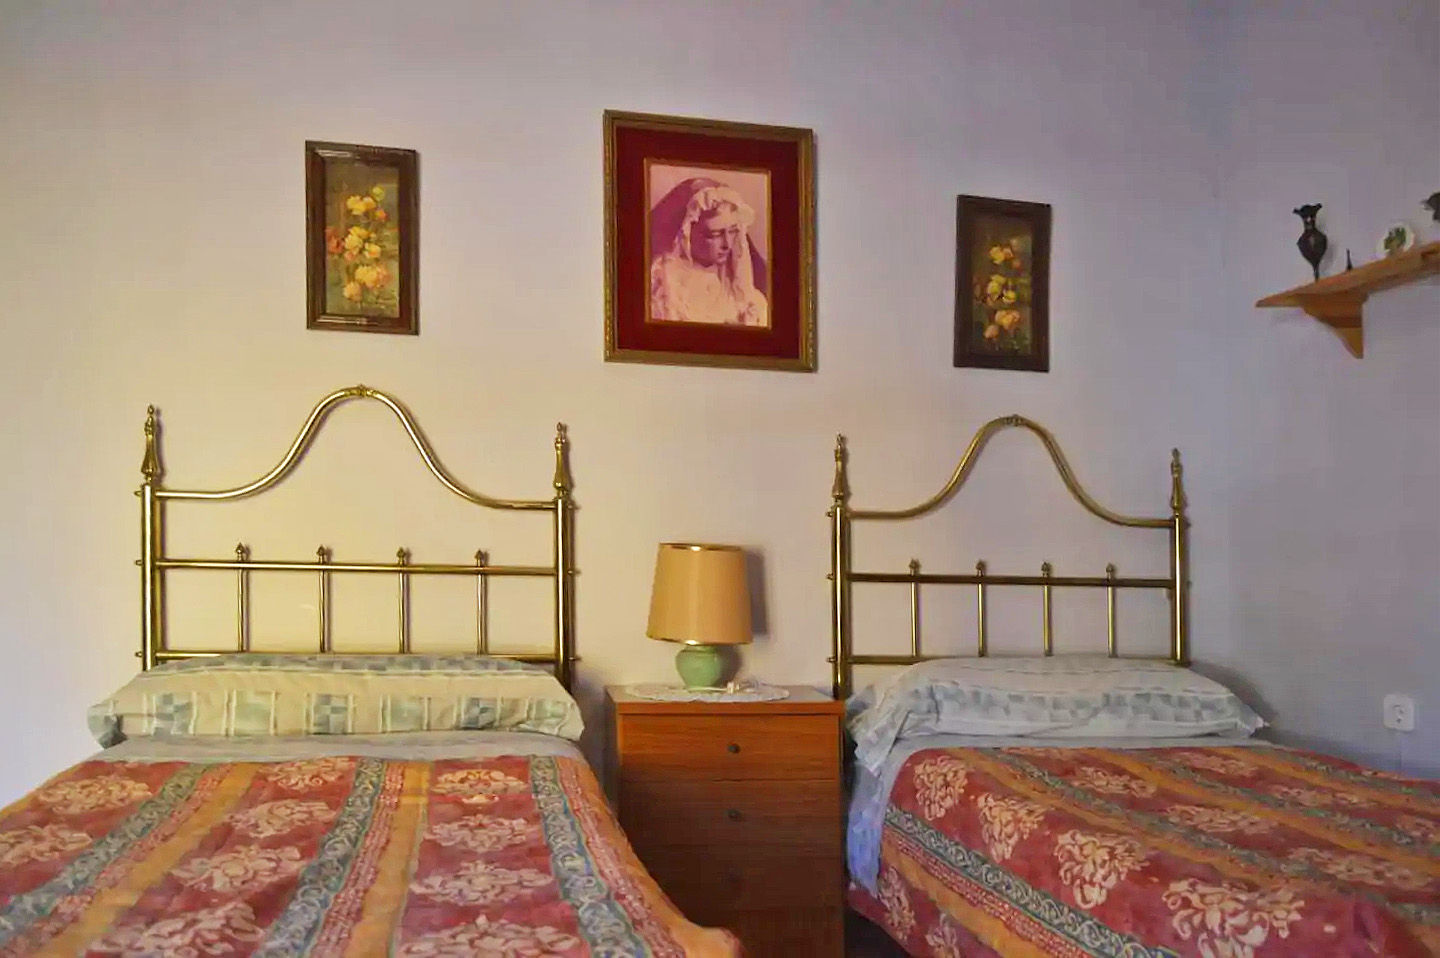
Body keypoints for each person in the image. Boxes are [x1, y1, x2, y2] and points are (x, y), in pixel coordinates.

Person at [648, 177, 769, 327]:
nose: (727, 244)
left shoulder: (744, 291)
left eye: (733, 231)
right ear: (687, 234)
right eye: (715, 234)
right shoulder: (665, 287)